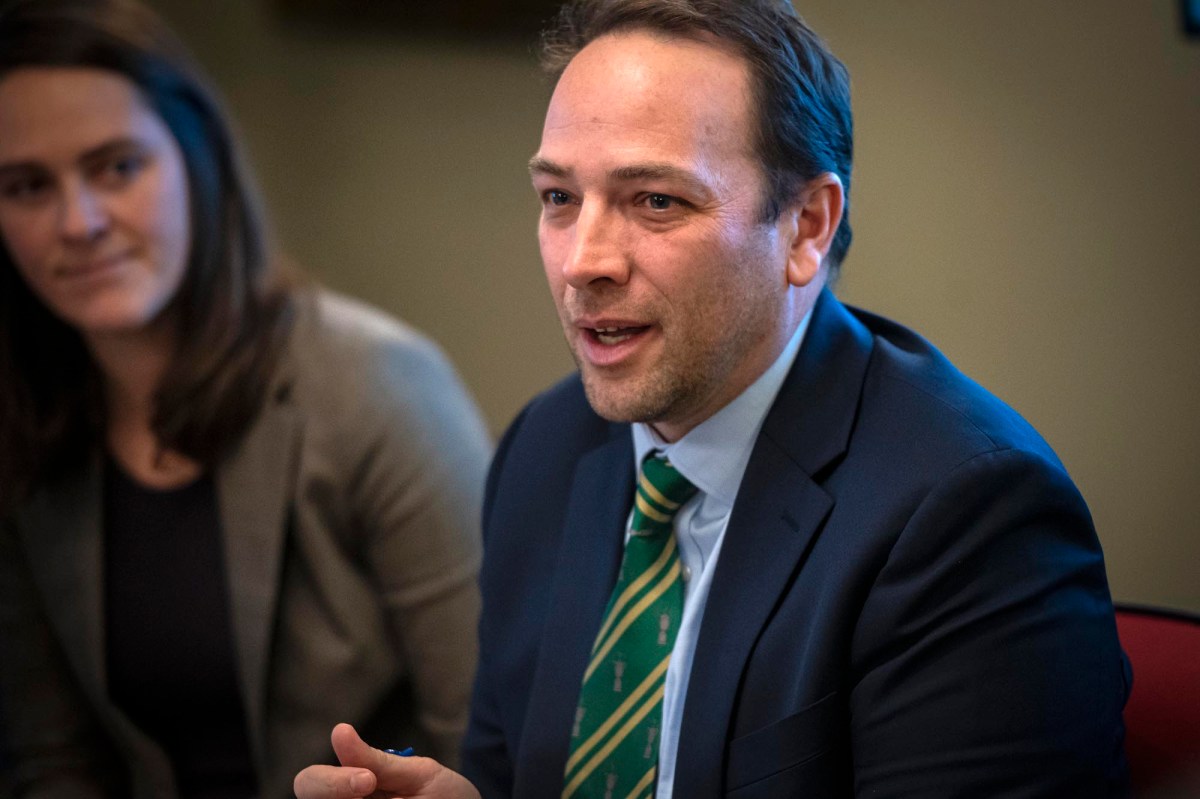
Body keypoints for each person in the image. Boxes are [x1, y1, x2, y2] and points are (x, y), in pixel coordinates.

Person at [293, 0, 1131, 797]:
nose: (584, 260)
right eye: (559, 198)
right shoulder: (546, 450)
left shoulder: (968, 514)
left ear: (805, 227)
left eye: (656, 201)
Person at [0, 0, 492, 797]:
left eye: (117, 167)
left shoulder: (378, 385)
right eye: (27, 185)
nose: (78, 221)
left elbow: (486, 734)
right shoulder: (29, 419)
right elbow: (55, 758)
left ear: (198, 161)